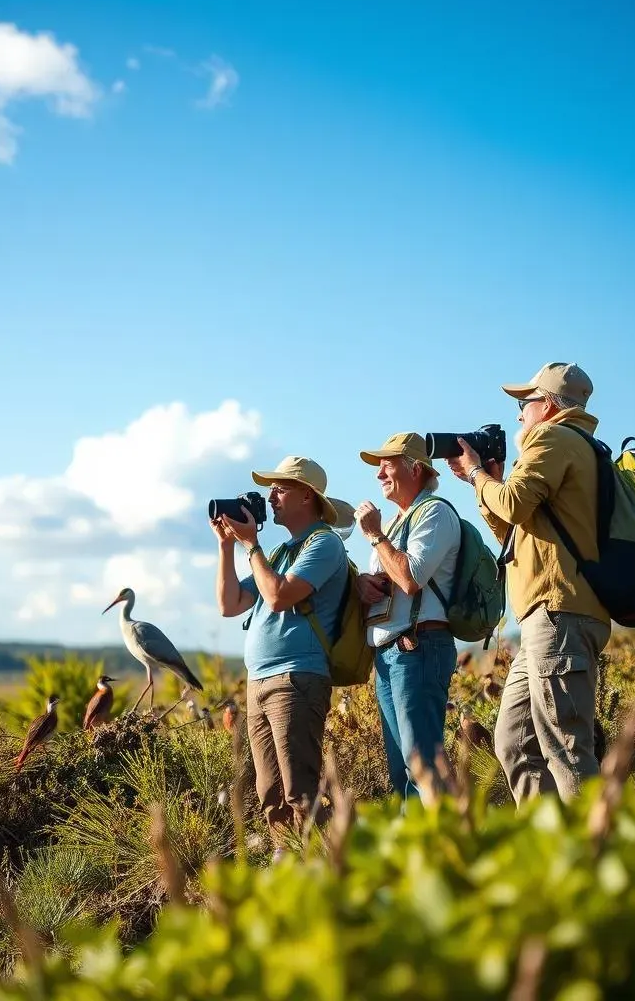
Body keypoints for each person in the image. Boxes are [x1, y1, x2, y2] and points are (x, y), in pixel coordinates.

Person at [447, 362, 611, 804]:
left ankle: (593, 857)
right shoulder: (577, 448)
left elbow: (515, 504)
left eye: (525, 403)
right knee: (514, 743)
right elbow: (515, 533)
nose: (520, 415)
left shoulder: (554, 439)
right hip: (552, 617)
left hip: (558, 615)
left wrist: (480, 476)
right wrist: (486, 482)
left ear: (550, 405)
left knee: (567, 749)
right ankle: (546, 848)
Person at [212, 456, 350, 853]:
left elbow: (277, 596)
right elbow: (230, 603)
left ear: (307, 496)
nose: (269, 496)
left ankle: (331, 870)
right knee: (270, 794)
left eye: (280, 488)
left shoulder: (323, 543)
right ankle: (290, 874)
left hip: (296, 679)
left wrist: (251, 544)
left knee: (298, 791)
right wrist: (227, 547)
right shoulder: (278, 554)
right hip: (261, 682)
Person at [353, 433, 460, 800]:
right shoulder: (401, 523)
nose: (379, 472)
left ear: (416, 469)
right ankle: (416, 854)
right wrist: (366, 586)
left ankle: (444, 850)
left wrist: (374, 535)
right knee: (403, 774)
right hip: (393, 653)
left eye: (388, 463)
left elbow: (410, 578)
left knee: (422, 767)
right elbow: (396, 579)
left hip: (418, 648)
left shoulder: (434, 512)